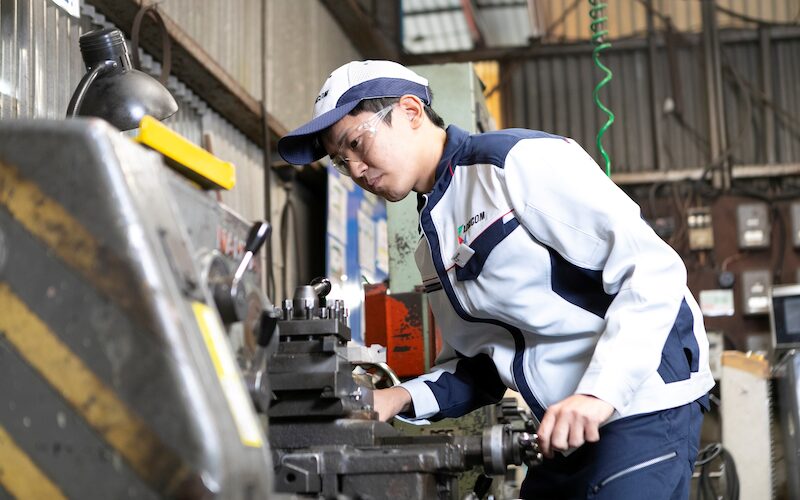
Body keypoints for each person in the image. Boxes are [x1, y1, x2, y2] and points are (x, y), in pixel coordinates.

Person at [277, 60, 714, 499]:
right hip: (565, 427)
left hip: (641, 403)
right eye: (341, 161)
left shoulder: (516, 163)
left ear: (410, 111)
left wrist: (600, 394)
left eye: (356, 143)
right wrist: (396, 399)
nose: (355, 170)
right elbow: (481, 367)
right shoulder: (432, 247)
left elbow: (652, 270)